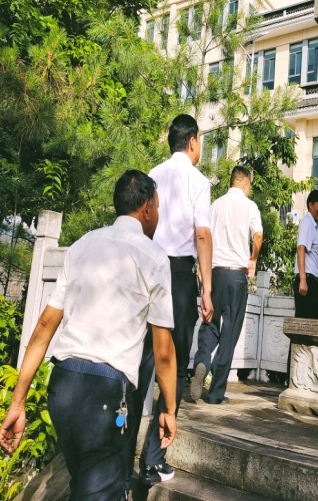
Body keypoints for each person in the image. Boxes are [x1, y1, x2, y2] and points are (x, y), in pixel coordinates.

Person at [0, 171, 177, 501]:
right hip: (105, 396)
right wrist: (168, 408)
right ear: (147, 208)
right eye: (157, 207)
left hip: (62, 388)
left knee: (82, 483)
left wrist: (17, 402)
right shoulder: (154, 258)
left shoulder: (82, 245)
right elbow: (164, 352)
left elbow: (44, 327)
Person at [134, 114, 214, 487]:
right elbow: (202, 235)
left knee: (141, 363)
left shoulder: (151, 175)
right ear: (193, 141)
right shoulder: (198, 181)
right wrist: (207, 288)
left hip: (147, 268)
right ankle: (153, 459)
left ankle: (122, 454)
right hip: (178, 276)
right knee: (176, 365)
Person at [190, 166, 263, 404]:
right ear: (245, 184)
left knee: (209, 324)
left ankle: (202, 360)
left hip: (214, 273)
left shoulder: (215, 205)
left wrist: (203, 273)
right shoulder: (250, 206)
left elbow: (202, 236)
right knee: (229, 334)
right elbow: (258, 235)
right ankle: (216, 394)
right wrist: (253, 259)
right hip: (236, 277)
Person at [293, 189, 318, 319]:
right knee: (306, 325)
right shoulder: (307, 222)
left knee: (310, 324)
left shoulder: (312, 226)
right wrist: (303, 280)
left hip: (312, 283)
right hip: (307, 282)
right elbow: (301, 249)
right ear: (310, 205)